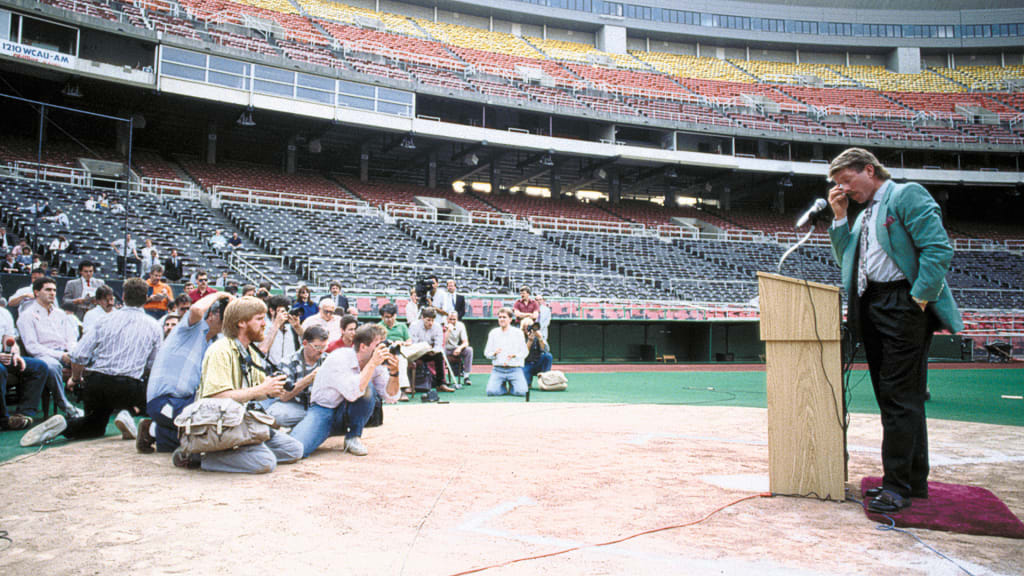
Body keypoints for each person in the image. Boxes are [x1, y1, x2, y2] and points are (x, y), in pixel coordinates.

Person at [826, 148, 963, 514]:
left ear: (868, 170)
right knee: (897, 397)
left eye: (847, 181)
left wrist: (918, 299)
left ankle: (896, 486)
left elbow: (938, 249)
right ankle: (913, 480)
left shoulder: (906, 195)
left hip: (903, 302)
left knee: (900, 397)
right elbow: (846, 261)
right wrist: (840, 217)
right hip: (871, 305)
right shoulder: (862, 213)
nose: (844, 189)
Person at [20, 278, 163, 447]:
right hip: (129, 387)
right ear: (146, 297)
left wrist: (75, 377)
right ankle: (129, 412)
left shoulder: (103, 320)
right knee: (151, 399)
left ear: (123, 296)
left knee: (94, 426)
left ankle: (66, 426)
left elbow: (79, 355)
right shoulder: (154, 326)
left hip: (97, 384)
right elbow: (153, 365)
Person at [177, 296, 303, 473]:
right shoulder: (220, 350)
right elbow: (216, 397)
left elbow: (255, 391)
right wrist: (261, 389)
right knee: (265, 463)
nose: (264, 324)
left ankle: (234, 453)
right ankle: (200, 458)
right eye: (259, 319)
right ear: (241, 323)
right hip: (220, 424)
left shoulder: (250, 351)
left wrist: (270, 390)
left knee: (293, 450)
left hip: (241, 420)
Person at [290, 323, 400, 458]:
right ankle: (306, 431)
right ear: (363, 347)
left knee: (367, 387)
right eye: (378, 346)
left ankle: (353, 436)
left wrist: (394, 374)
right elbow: (353, 392)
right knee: (295, 449)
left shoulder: (376, 364)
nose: (382, 350)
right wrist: (372, 364)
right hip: (323, 409)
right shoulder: (339, 358)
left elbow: (391, 397)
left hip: (347, 413)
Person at [140, 291, 231, 454]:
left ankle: (157, 431)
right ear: (212, 314)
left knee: (196, 438)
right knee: (210, 428)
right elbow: (196, 310)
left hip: (183, 402)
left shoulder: (213, 343)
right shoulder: (191, 327)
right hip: (164, 400)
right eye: (226, 317)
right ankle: (157, 428)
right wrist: (220, 294)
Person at [15, 276, 81, 417]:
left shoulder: (61, 314)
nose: (52, 293)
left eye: (54, 290)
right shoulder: (27, 316)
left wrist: (71, 353)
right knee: (52, 366)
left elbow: (71, 338)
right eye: (48, 290)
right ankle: (65, 405)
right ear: (36, 292)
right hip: (42, 356)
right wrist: (60, 355)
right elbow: (32, 347)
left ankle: (96, 406)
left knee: (91, 359)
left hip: (65, 353)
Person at [263, 325, 328, 428]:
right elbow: (284, 396)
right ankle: (310, 422)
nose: (321, 351)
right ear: (305, 343)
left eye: (324, 347)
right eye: (317, 347)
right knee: (274, 414)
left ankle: (308, 422)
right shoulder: (288, 361)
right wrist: (309, 379)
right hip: (297, 406)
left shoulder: (328, 360)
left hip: (321, 407)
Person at [1, 309, 49, 431]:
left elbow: (10, 342)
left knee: (39, 367)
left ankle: (24, 414)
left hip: (4, 357)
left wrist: (15, 355)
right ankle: (3, 420)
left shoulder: (4, 314)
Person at [484, 307, 528, 396]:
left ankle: (512, 386)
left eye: (504, 317)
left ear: (510, 319)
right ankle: (502, 387)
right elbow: (487, 353)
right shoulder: (493, 333)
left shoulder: (518, 333)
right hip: (498, 369)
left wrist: (515, 355)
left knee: (521, 392)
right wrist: (494, 353)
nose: (501, 319)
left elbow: (524, 352)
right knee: (491, 392)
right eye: (500, 317)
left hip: (515, 369)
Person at [409, 308, 453, 393]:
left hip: (430, 351)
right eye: (428, 320)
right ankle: (409, 385)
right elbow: (413, 343)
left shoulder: (437, 327)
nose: (430, 323)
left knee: (439, 355)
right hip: (416, 352)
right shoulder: (414, 325)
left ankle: (440, 384)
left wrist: (433, 351)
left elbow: (439, 344)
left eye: (432, 320)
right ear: (422, 318)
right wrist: (424, 349)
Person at [378, 303, 412, 401]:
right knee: (399, 360)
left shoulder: (402, 326)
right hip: (386, 351)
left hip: (401, 350)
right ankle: (399, 391)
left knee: (402, 360)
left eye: (391, 317)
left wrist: (401, 343)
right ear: (382, 317)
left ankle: (402, 390)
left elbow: (409, 341)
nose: (389, 320)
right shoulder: (379, 327)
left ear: (395, 315)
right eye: (386, 317)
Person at [520, 318, 553, 387]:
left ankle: (546, 380)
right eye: (526, 327)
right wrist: (530, 341)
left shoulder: (538, 335)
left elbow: (545, 350)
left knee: (548, 356)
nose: (529, 329)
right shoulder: (519, 337)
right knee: (525, 385)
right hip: (526, 364)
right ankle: (528, 381)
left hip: (537, 362)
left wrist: (540, 338)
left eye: (530, 327)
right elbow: (523, 354)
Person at [444, 311, 473, 387]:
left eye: (454, 319)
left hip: (455, 348)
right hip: (444, 349)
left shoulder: (461, 325)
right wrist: (448, 331)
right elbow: (443, 342)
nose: (452, 321)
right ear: (447, 319)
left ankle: (466, 376)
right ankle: (443, 379)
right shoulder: (442, 325)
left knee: (469, 350)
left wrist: (459, 348)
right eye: (450, 319)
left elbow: (466, 342)